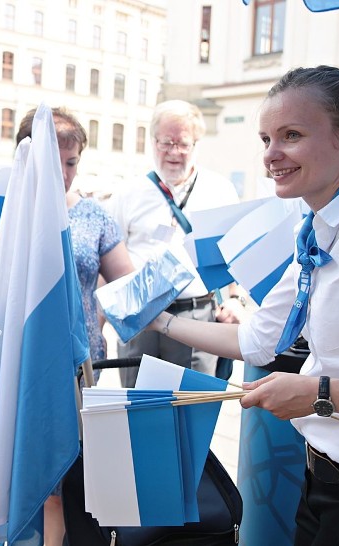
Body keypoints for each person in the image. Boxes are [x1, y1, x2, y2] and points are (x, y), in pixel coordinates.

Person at [149, 66, 339, 545]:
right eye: (266, 138)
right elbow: (259, 338)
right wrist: (159, 319)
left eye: (291, 135)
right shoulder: (316, 228)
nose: (271, 155)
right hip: (323, 487)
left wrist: (319, 393)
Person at [0, 107, 135, 546]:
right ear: (26, 157)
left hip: (76, 370)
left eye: (72, 163)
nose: (64, 173)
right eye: (56, 161)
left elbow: (127, 284)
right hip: (9, 367)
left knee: (63, 484)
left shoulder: (92, 217)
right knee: (13, 472)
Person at [106, 99, 249, 385]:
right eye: (166, 143)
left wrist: (235, 299)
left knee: (193, 407)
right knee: (139, 405)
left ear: (196, 143)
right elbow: (108, 255)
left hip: (198, 314)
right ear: (153, 141)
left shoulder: (219, 190)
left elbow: (232, 255)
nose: (174, 152)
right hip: (141, 315)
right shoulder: (128, 192)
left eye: (183, 143)